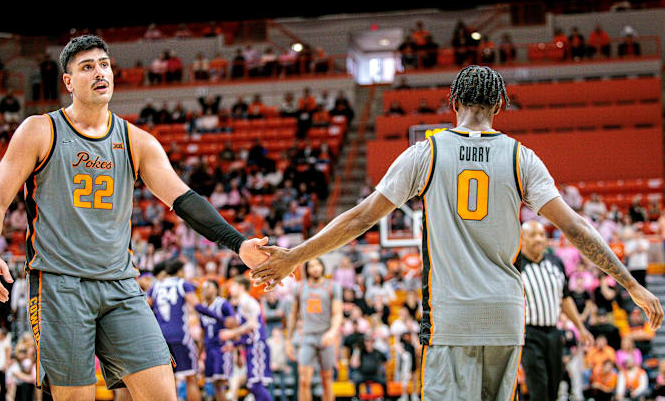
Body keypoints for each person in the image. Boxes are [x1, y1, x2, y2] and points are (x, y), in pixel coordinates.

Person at [250, 65, 664, 401]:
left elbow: (360, 218)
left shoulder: (426, 152)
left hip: (452, 316)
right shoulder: (523, 157)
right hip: (504, 314)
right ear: (499, 105)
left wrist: (295, 255)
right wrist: (631, 285)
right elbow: (575, 227)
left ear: (453, 101)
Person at [0, 35, 268, 401]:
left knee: (163, 394)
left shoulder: (137, 141)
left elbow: (184, 200)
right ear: (68, 82)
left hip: (119, 284)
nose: (99, 72)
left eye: (104, 64)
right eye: (86, 67)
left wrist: (238, 244)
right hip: (58, 283)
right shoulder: (40, 130)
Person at [518, 220, 594, 401]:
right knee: (539, 386)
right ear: (521, 239)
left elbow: (565, 299)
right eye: (533, 235)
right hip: (529, 334)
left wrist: (581, 327)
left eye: (542, 234)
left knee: (554, 385)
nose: (539, 239)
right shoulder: (516, 266)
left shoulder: (555, 263)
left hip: (553, 332)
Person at [286, 258, 342, 401]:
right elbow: (293, 315)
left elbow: (337, 314)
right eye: (311, 266)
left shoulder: (332, 286)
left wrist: (333, 332)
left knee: (327, 380)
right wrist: (288, 340)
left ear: (322, 267)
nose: (315, 268)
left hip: (325, 336)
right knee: (304, 380)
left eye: (317, 265)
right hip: (307, 336)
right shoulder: (299, 287)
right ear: (307, 270)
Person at [148, 259, 200, 401]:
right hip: (180, 336)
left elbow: (145, 310)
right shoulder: (182, 283)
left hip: (161, 339)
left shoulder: (155, 286)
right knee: (191, 378)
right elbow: (197, 306)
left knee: (167, 380)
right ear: (179, 271)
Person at [219, 276, 272, 401]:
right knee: (253, 385)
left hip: (257, 345)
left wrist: (231, 333)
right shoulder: (242, 303)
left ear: (241, 287)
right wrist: (234, 344)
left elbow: (252, 325)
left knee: (255, 385)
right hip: (250, 346)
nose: (230, 289)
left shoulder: (247, 301)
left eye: (232, 286)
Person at [195, 279, 236, 401]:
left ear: (216, 289)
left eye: (209, 286)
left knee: (220, 382)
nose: (205, 289)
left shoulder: (223, 304)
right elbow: (202, 332)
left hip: (221, 347)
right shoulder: (202, 308)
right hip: (209, 348)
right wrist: (198, 353)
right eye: (204, 287)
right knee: (213, 383)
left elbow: (234, 324)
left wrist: (236, 349)